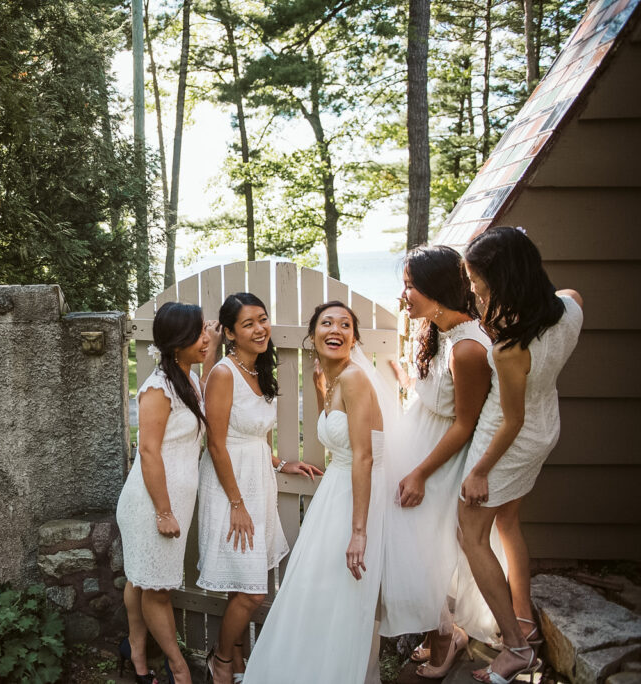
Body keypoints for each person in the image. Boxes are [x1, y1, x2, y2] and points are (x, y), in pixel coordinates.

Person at [458, 226, 583, 684]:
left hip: (506, 440)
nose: (473, 288)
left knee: (470, 534)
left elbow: (510, 420)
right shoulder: (571, 305)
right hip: (545, 425)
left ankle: (515, 649)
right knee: (508, 522)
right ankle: (524, 618)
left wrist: (479, 471)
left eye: (478, 281)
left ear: (505, 279)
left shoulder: (512, 346)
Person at [243, 301, 392, 684]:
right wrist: (319, 384)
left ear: (354, 337)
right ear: (314, 335)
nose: (336, 330)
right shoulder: (334, 378)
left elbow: (364, 457)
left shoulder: (356, 379)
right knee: (317, 590)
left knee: (339, 593)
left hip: (354, 498)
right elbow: (335, 424)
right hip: (335, 496)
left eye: (345, 325)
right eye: (327, 323)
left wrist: (358, 531)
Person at [378, 246, 492, 679]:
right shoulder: (439, 331)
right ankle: (435, 630)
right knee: (410, 545)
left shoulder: (468, 347)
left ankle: (448, 636)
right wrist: (406, 381)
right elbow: (438, 397)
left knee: (424, 549)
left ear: (437, 289)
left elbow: (464, 423)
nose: (404, 294)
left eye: (411, 285)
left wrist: (421, 472)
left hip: (440, 459)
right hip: (420, 443)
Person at [197, 293, 322, 684]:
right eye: (248, 323)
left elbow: (250, 438)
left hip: (257, 481)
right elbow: (216, 443)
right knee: (251, 591)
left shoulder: (258, 370)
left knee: (247, 583)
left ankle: (234, 661)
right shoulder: (223, 373)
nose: (260, 329)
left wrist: (281, 462)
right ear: (231, 333)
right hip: (228, 487)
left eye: (263, 319)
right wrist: (236, 503)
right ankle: (219, 661)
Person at [115, 302, 217, 684]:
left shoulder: (184, 378)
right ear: (177, 343)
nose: (206, 339)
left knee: (141, 580)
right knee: (156, 589)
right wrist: (163, 511)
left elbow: (199, 407)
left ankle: (135, 652)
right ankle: (177, 668)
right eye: (198, 334)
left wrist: (210, 354)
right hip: (152, 503)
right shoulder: (158, 387)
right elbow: (148, 450)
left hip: (167, 501)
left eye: (205, 332)